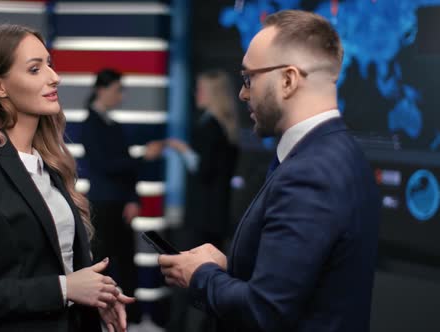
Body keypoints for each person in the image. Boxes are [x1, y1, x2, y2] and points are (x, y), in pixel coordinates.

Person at [158, 10, 380, 332]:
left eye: (249, 78)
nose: (242, 93)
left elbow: (265, 311)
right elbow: (296, 284)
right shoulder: (337, 153)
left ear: (288, 80)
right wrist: (225, 268)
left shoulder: (310, 173)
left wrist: (200, 276)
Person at [0, 24, 133, 332]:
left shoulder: (49, 165)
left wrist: (95, 294)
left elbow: (54, 266)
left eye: (49, 64)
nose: (54, 77)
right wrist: (65, 288)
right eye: (35, 69)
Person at [80, 68, 165, 324]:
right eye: (118, 90)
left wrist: (133, 199)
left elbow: (125, 169)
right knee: (103, 263)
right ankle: (97, 317)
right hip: (102, 205)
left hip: (120, 204)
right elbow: (107, 164)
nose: (121, 96)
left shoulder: (114, 125)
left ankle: (131, 317)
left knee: (127, 263)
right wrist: (141, 158)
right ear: (101, 90)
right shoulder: (90, 125)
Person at [164, 70, 239, 332]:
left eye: (201, 89)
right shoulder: (226, 129)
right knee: (210, 281)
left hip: (200, 219)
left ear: (212, 94)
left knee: (185, 278)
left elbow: (203, 169)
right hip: (215, 218)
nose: (197, 94)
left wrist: (181, 149)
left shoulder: (209, 128)